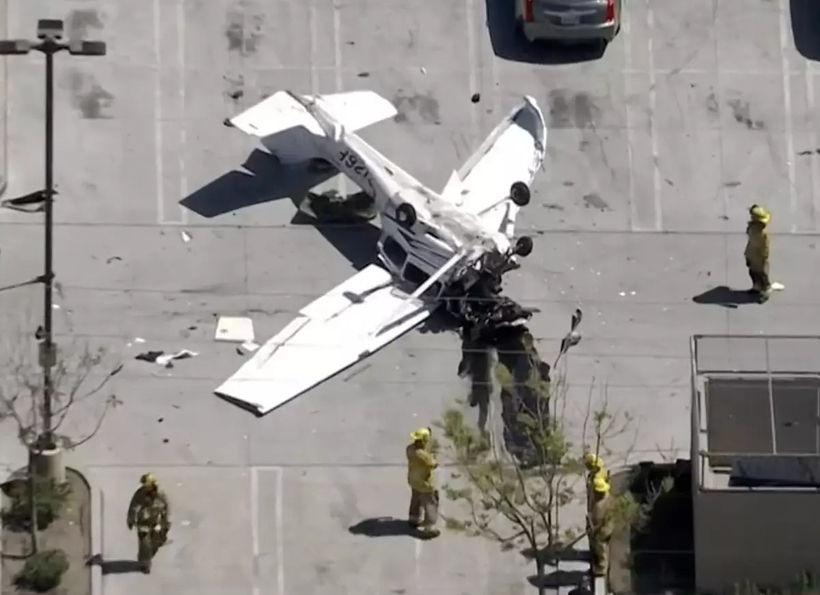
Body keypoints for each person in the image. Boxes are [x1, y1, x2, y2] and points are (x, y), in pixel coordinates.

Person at [127, 473, 171, 573]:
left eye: (146, 485)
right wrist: (131, 519)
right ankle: (145, 563)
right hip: (143, 521)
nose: (145, 487)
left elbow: (165, 507)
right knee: (145, 544)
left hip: (156, 520)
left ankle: (149, 555)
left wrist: (166, 521)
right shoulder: (140, 494)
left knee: (157, 542)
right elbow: (133, 506)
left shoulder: (160, 493)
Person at [744, 205, 784, 302]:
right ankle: (756, 287)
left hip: (759, 257)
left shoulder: (762, 234)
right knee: (753, 272)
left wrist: (763, 258)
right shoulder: (752, 228)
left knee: (762, 274)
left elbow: (765, 248)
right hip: (751, 253)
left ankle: (765, 290)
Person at [406, 427, 440, 537]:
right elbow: (433, 464)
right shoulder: (423, 456)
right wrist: (433, 454)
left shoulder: (410, 449)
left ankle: (413, 519)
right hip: (425, 484)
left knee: (415, 499)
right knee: (430, 503)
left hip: (413, 480)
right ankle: (429, 527)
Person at [587, 475, 614, 578]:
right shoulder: (609, 498)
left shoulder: (599, 506)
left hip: (603, 529)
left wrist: (592, 528)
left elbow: (597, 522)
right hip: (610, 525)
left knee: (599, 546)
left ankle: (602, 567)